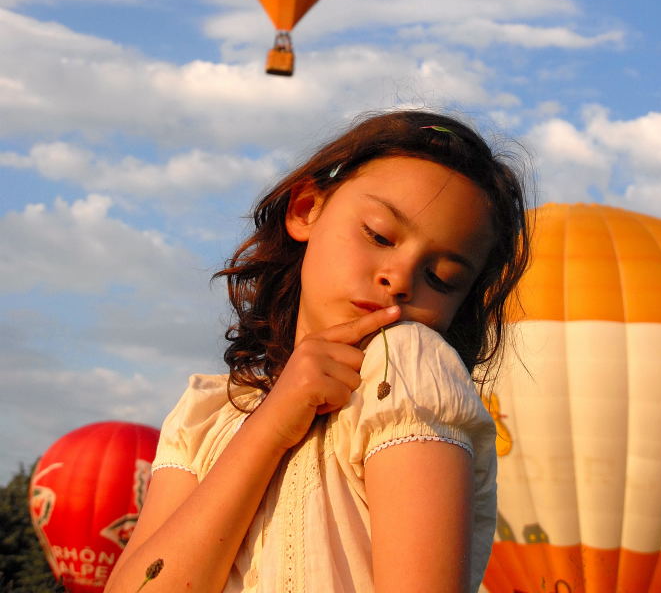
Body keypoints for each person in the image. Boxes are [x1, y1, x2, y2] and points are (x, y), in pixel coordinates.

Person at [105, 109, 530, 593]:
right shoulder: (205, 415)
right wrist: (271, 423)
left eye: (442, 278)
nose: (400, 279)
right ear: (306, 208)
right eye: (379, 236)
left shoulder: (409, 365)